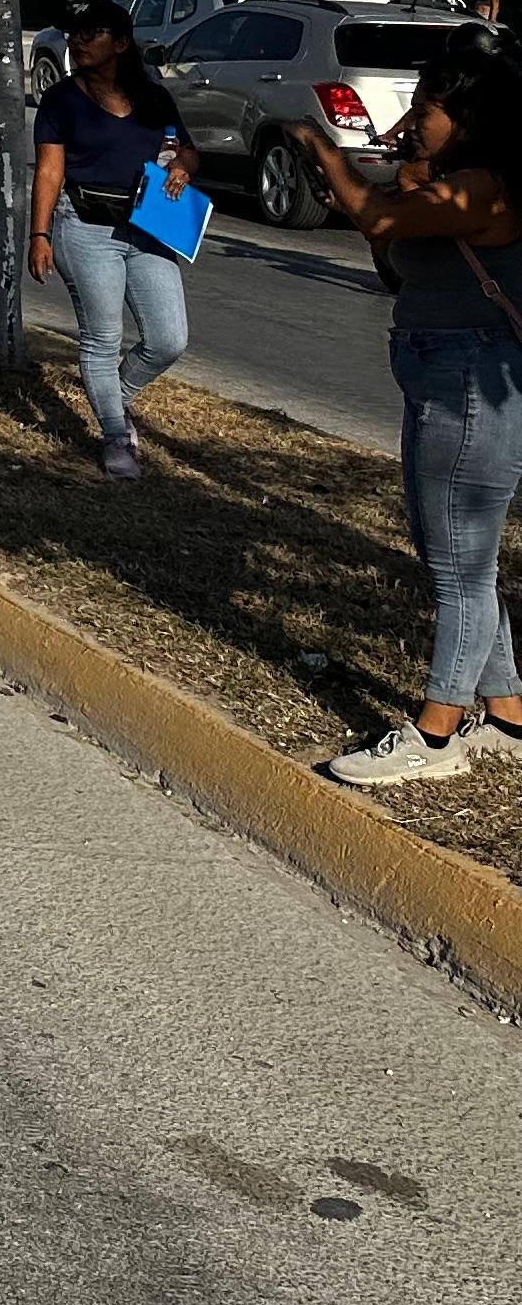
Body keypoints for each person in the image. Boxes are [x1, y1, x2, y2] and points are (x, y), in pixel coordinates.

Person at [286, 51, 522, 786]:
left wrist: (325, 149)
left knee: (459, 564)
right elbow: (393, 254)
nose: (411, 123)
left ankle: (437, 734)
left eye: (426, 110)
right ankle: (509, 714)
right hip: (439, 374)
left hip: (473, 384)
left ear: (470, 121)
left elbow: (377, 215)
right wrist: (393, 190)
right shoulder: (450, 187)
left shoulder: (483, 188)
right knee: (452, 552)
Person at [29, 0, 198, 479]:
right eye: (75, 33)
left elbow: (185, 149)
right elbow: (49, 169)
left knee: (168, 339)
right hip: (84, 225)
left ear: (121, 43)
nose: (79, 41)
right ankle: (116, 437)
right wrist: (39, 233)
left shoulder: (153, 98)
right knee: (102, 338)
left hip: (148, 229)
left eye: (92, 33)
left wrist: (184, 166)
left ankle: (112, 397)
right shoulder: (61, 99)